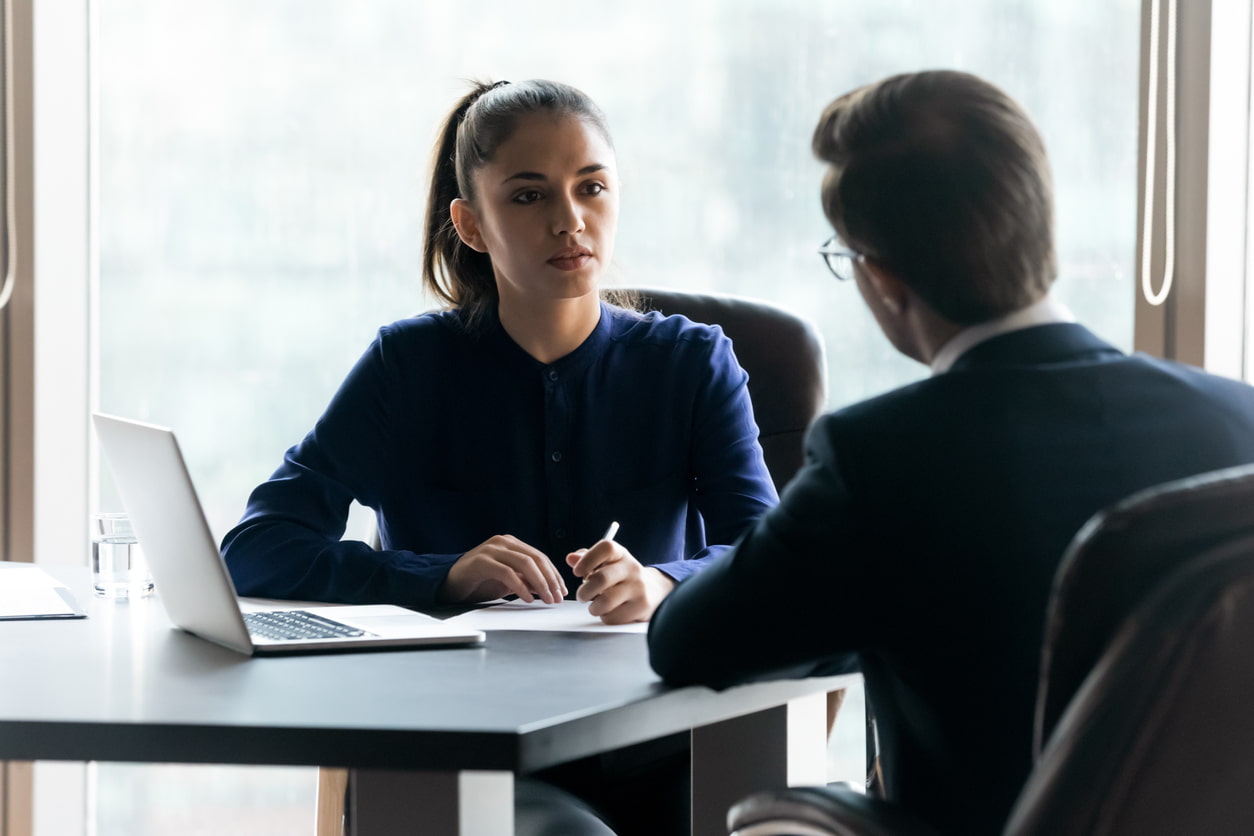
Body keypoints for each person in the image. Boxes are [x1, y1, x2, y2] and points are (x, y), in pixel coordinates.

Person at [647, 69, 1254, 836]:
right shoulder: (1240, 421)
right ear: (1037, 225)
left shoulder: (880, 456)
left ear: (883, 278)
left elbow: (688, 642)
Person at [222, 78, 777, 834]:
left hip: (656, 742)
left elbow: (766, 554)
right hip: (459, 751)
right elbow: (257, 547)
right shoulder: (405, 366)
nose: (570, 221)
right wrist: (439, 574)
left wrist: (663, 582)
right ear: (471, 223)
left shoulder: (690, 364)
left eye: (593, 188)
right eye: (528, 196)